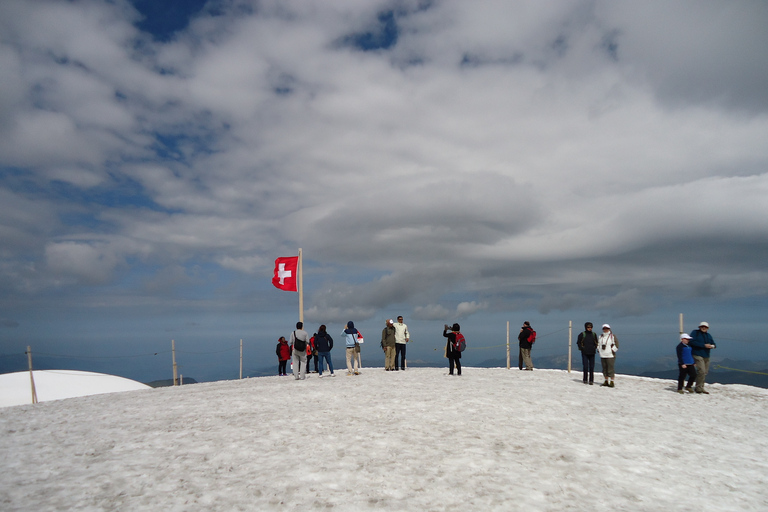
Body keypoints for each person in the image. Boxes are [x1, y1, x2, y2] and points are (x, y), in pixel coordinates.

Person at [689, 321, 716, 394]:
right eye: (702, 327)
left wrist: (712, 346)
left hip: (706, 355)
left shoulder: (708, 335)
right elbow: (691, 342)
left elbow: (714, 344)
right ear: (699, 327)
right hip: (697, 354)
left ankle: (701, 387)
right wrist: (704, 345)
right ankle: (698, 388)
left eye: (705, 327)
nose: (704, 328)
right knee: (701, 371)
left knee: (704, 372)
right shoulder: (695, 333)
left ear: (707, 328)